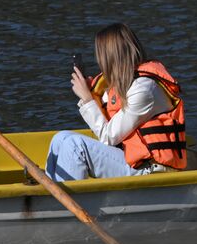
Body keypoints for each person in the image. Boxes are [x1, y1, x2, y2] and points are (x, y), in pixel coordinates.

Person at [46, 23, 187, 181]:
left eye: (100, 55)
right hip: (132, 161)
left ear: (110, 57)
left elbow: (108, 137)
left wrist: (87, 100)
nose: (100, 61)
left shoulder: (144, 90)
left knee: (74, 145)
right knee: (60, 138)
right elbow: (106, 131)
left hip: (151, 170)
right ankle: (51, 197)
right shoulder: (119, 85)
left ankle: (69, 201)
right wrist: (93, 96)